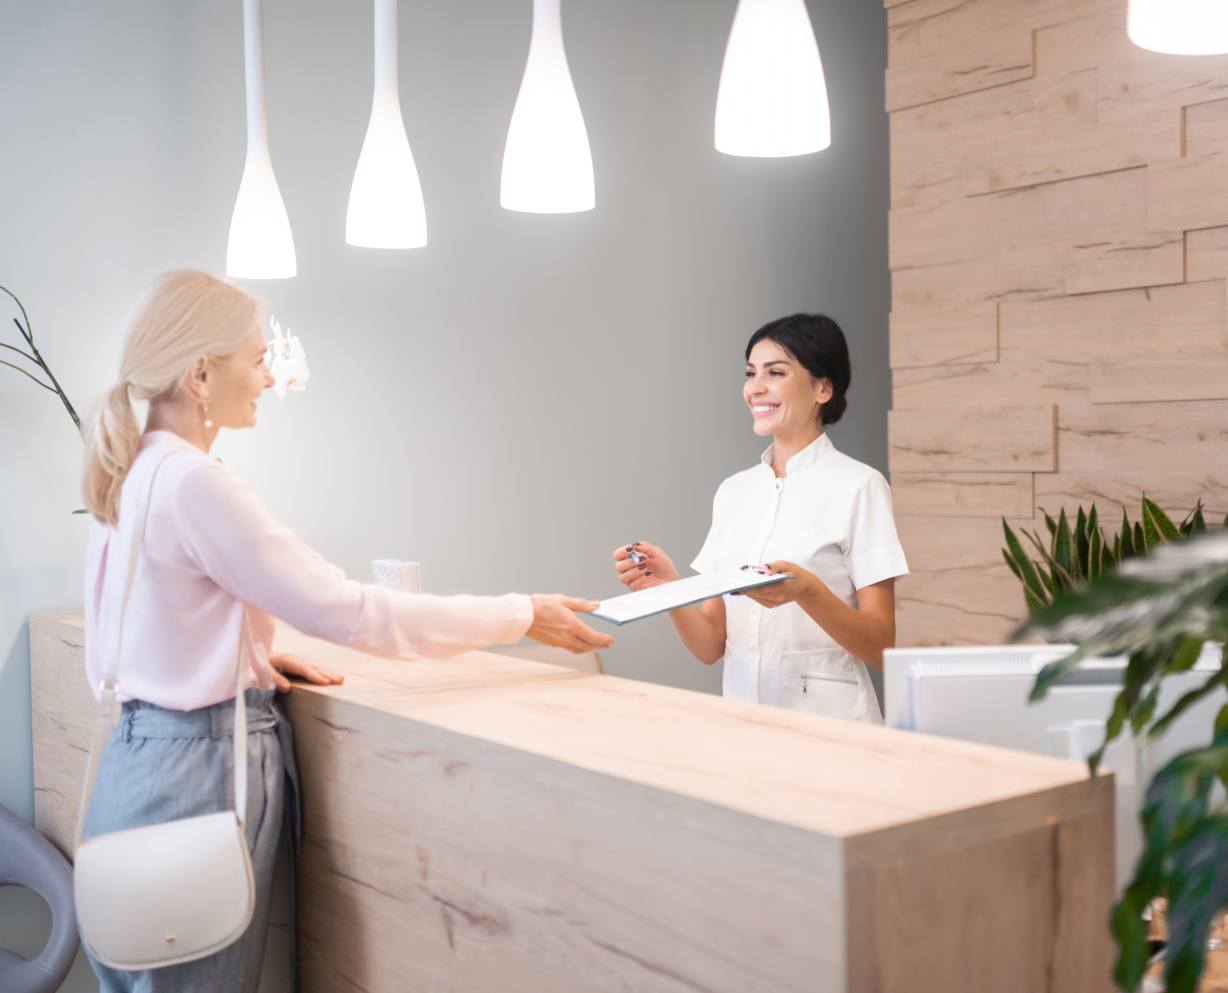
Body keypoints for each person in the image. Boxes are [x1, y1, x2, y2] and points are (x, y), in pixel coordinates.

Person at [79, 270, 612, 992]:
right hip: (194, 774)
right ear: (201, 374)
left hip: (136, 768)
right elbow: (357, 613)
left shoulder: (133, 471)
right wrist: (520, 613)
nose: (268, 376)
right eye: (257, 358)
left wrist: (246, 650)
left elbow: (130, 630)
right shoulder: (196, 482)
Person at [612, 313, 907, 723]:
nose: (756, 388)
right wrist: (669, 588)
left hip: (832, 725)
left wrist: (807, 591)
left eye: (776, 372)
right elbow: (711, 646)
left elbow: (882, 646)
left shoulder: (860, 486)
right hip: (744, 723)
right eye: (752, 373)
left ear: (823, 388)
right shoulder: (734, 493)